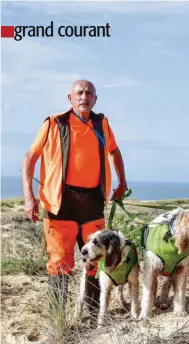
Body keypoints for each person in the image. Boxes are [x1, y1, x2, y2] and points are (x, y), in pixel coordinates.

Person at [21, 79, 128, 324]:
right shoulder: (54, 122)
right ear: (70, 98)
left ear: (95, 99)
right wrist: (29, 197)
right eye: (79, 92)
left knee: (95, 259)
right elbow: (30, 157)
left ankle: (93, 316)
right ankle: (58, 320)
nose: (84, 96)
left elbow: (114, 151)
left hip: (92, 202)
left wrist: (122, 182)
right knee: (60, 262)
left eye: (89, 93)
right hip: (60, 202)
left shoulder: (102, 123)